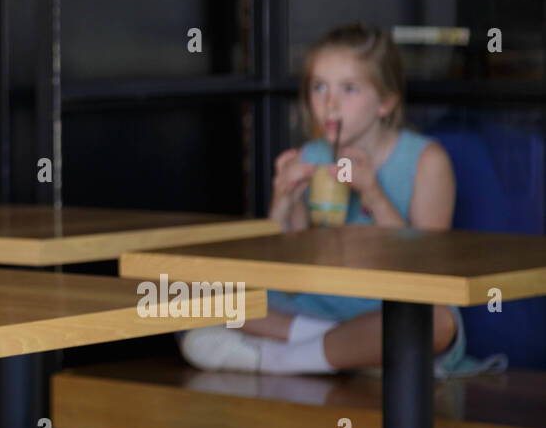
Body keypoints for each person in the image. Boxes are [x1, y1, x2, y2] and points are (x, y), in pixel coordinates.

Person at [178, 21, 494, 378]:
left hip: (387, 307)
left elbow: (429, 267)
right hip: (321, 304)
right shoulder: (312, 156)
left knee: (436, 322)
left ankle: (283, 358)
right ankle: (339, 350)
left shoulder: (426, 160)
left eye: (349, 89)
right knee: (184, 293)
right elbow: (287, 269)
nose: (330, 104)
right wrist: (284, 200)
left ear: (386, 101)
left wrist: (373, 194)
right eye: (319, 87)